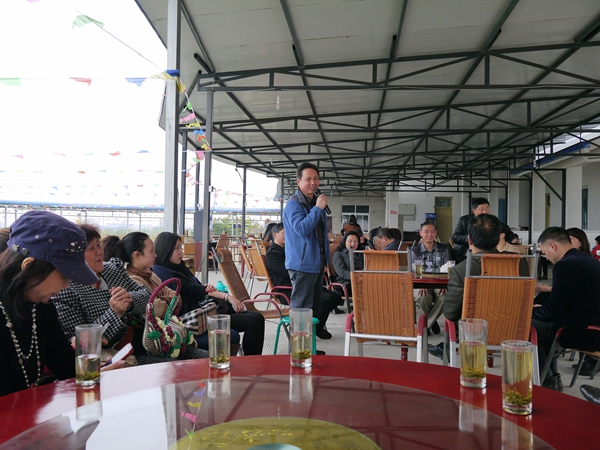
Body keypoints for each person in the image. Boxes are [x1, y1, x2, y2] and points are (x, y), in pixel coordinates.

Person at [0, 211, 123, 397]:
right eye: (65, 276)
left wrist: (94, 375)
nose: (66, 285)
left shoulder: (41, 307)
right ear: (29, 266)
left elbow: (65, 366)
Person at [429, 214, 529, 360]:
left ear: (469, 239)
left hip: (475, 335)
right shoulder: (519, 263)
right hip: (514, 331)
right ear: (499, 238)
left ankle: (449, 349)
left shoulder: (462, 270)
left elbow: (450, 312)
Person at [102, 233, 219, 355]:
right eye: (151, 251)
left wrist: (161, 298)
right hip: (156, 341)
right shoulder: (133, 279)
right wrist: (166, 299)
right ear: (137, 255)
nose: (155, 255)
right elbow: (159, 310)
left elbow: (176, 296)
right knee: (214, 344)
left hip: (170, 331)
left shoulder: (150, 274)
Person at [152, 232, 265, 356]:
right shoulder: (163, 273)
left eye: (181, 247)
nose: (181, 252)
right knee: (253, 320)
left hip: (205, 312)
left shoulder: (177, 267)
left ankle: (252, 362)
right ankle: (251, 363)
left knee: (256, 318)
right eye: (176, 248)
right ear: (165, 249)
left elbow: (199, 288)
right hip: (195, 319)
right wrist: (227, 296)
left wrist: (208, 289)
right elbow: (195, 289)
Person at [532, 227, 600, 392]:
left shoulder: (565, 266)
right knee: (540, 323)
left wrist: (530, 312)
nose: (546, 257)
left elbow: (553, 310)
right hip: (592, 325)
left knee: (526, 326)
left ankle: (548, 380)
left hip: (582, 332)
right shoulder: (587, 260)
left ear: (553, 246)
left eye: (544, 252)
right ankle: (551, 377)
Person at [283, 162, 330, 354]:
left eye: (316, 179)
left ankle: (307, 350)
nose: (313, 183)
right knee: (300, 312)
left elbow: (321, 235)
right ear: (298, 181)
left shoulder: (314, 202)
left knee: (312, 312)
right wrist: (317, 209)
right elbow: (302, 229)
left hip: (316, 265)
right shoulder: (293, 204)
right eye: (308, 179)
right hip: (301, 266)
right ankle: (296, 353)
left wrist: (325, 261)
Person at [265, 223, 340, 339]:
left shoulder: (289, 250)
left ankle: (317, 326)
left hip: (303, 285)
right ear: (275, 235)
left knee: (335, 296)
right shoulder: (272, 254)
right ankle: (314, 330)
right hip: (288, 290)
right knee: (326, 299)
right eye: (285, 233)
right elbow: (290, 274)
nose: (289, 235)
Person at [411, 221, 451, 335]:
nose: (429, 234)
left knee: (444, 297)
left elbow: (448, 268)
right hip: (421, 283)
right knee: (423, 297)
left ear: (436, 233)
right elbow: (415, 272)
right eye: (426, 232)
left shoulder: (444, 249)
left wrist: (444, 284)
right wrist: (421, 284)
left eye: (432, 231)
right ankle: (433, 322)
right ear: (421, 233)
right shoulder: (415, 251)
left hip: (439, 283)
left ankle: (426, 325)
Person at [451, 197, 490, 263]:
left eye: (487, 209)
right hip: (464, 255)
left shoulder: (491, 222)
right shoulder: (464, 220)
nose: (485, 212)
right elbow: (455, 238)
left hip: (485, 255)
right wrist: (470, 238)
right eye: (481, 209)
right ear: (474, 211)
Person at [332, 231, 365, 297]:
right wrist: (357, 277)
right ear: (345, 242)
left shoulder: (361, 253)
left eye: (356, 241)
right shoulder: (338, 254)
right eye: (350, 241)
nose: (353, 244)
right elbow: (342, 272)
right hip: (346, 282)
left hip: (362, 280)